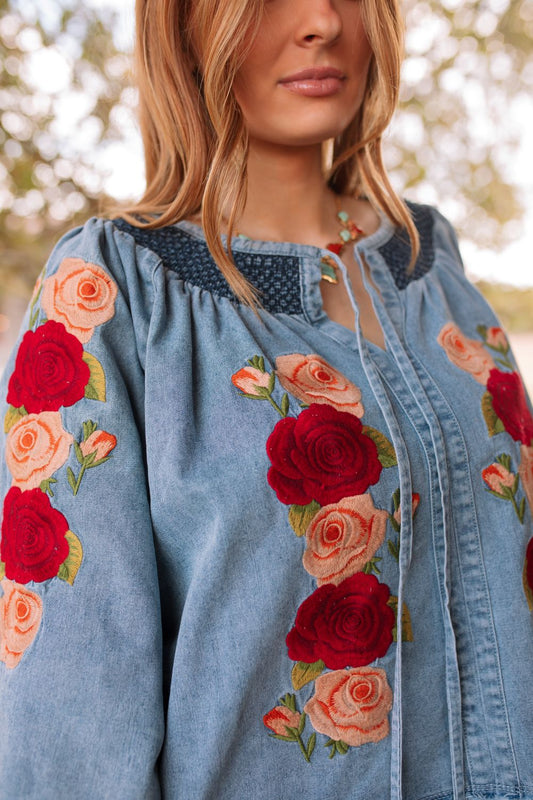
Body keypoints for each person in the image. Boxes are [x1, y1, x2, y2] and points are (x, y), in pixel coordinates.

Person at [0, 0, 532, 797]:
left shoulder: (437, 267)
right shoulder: (114, 294)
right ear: (183, 25)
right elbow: (68, 729)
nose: (320, 21)